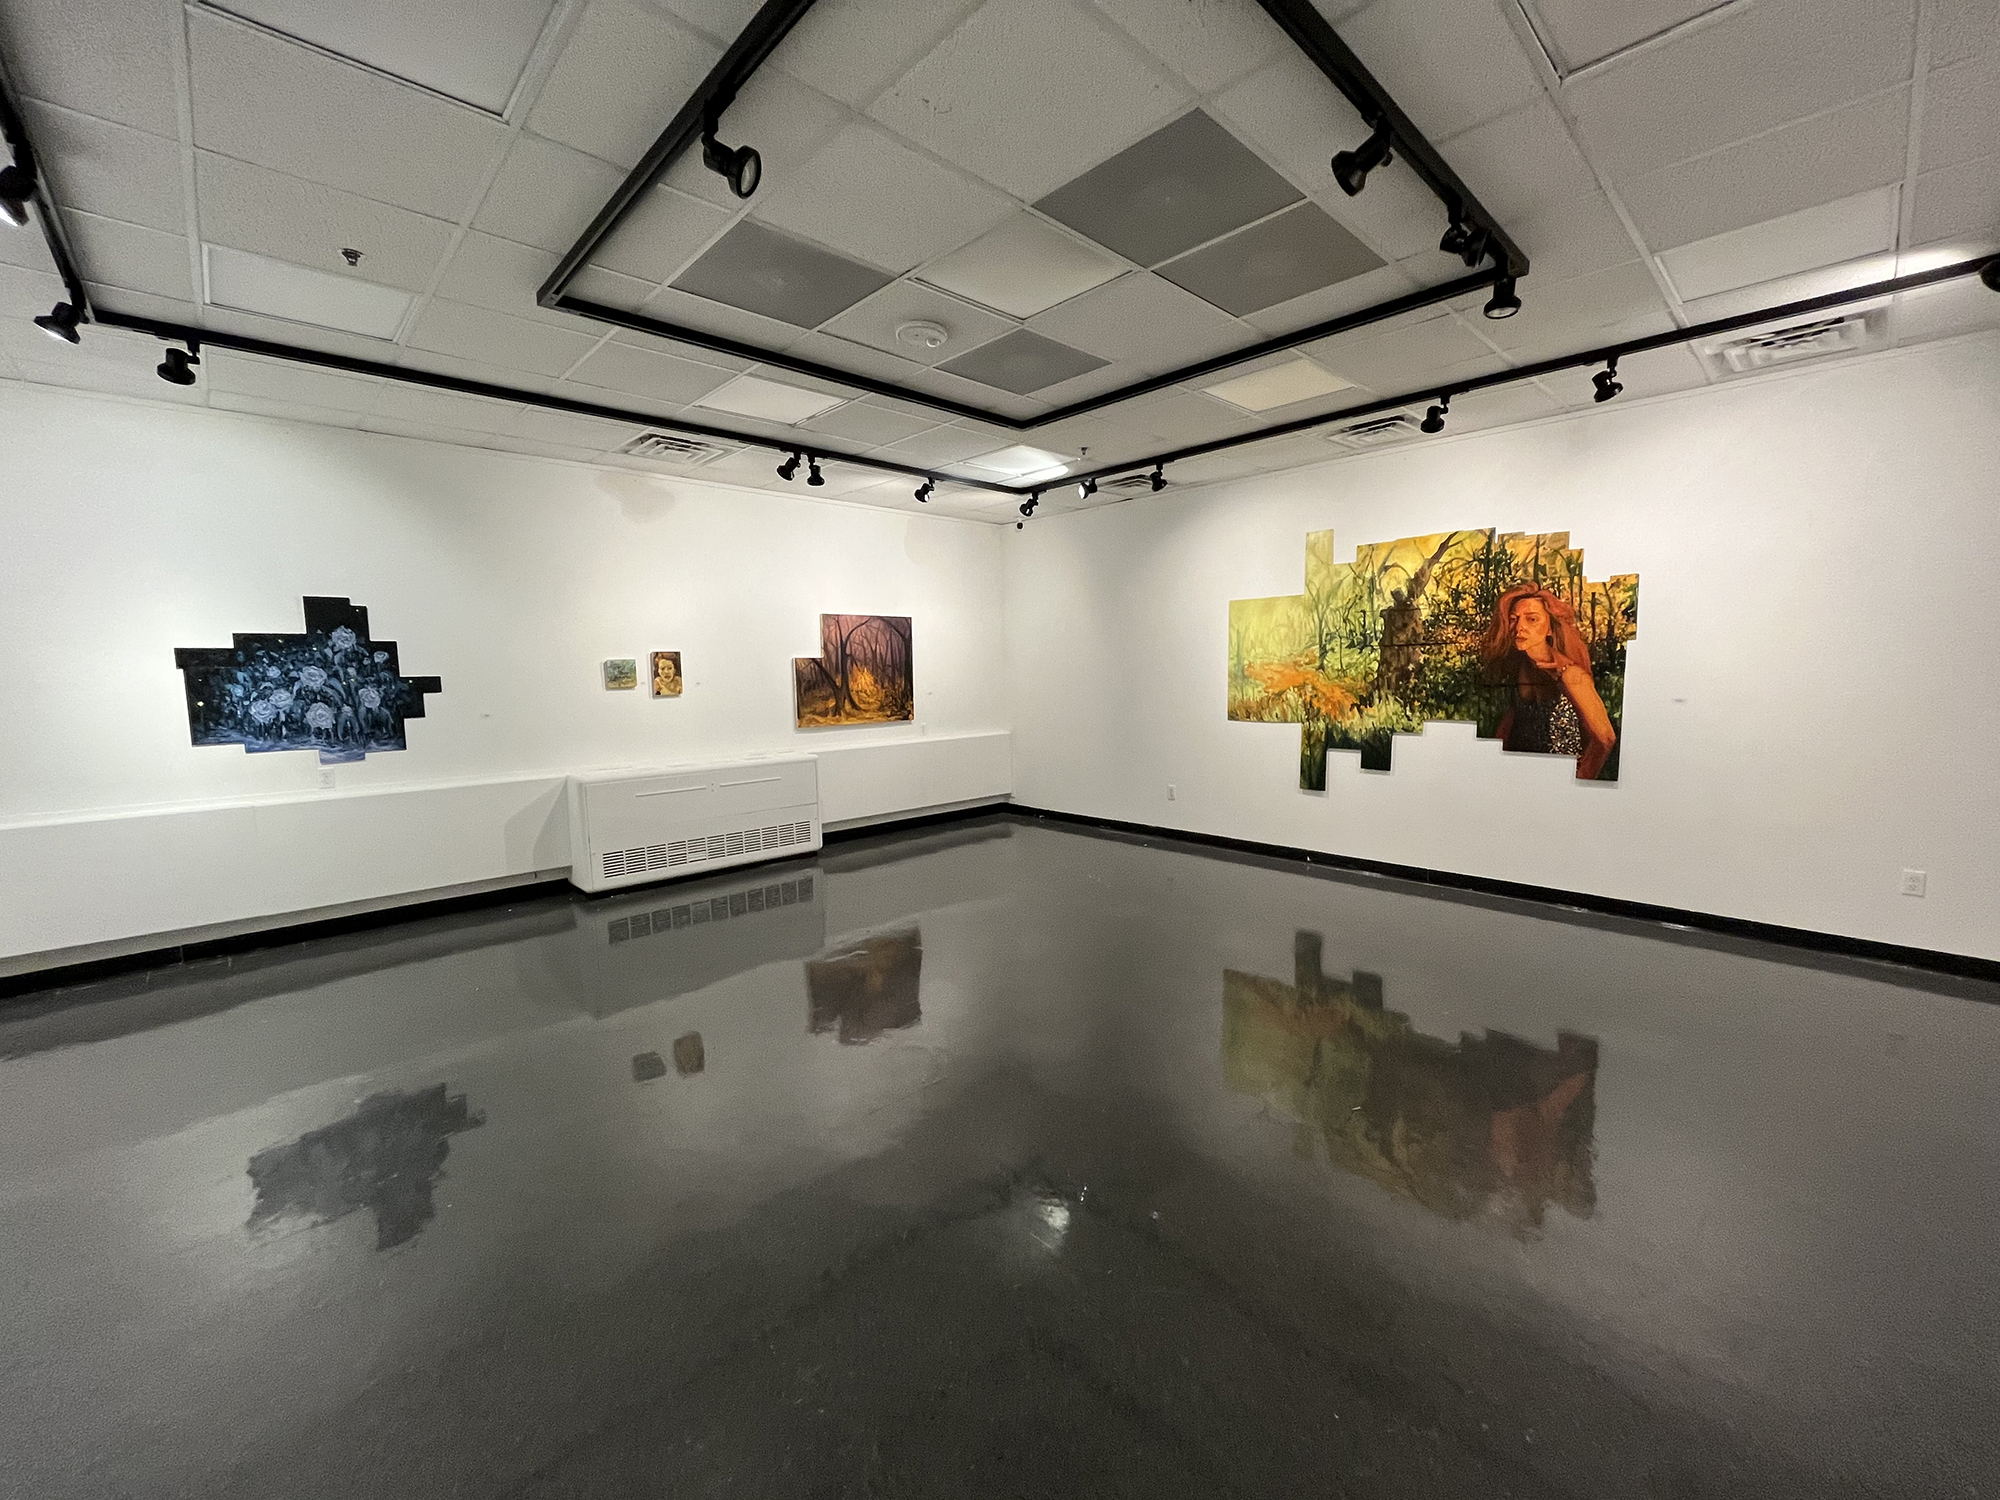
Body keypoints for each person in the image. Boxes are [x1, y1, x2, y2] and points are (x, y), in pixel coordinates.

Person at [1479, 585, 1617, 779]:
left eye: (1532, 619)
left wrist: (1580, 782)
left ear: (1550, 628)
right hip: (1524, 775)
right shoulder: (1523, 668)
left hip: (1559, 779)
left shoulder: (1570, 675)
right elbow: (1513, 719)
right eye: (1513, 619)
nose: (1519, 627)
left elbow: (1606, 738)